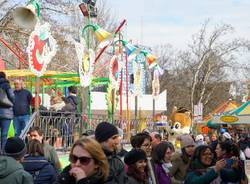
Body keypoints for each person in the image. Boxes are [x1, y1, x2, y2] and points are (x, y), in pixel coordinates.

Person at [0, 71, 15, 149]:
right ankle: (3, 151)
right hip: (6, 113)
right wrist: (12, 103)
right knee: (4, 133)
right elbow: (11, 96)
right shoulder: (6, 85)